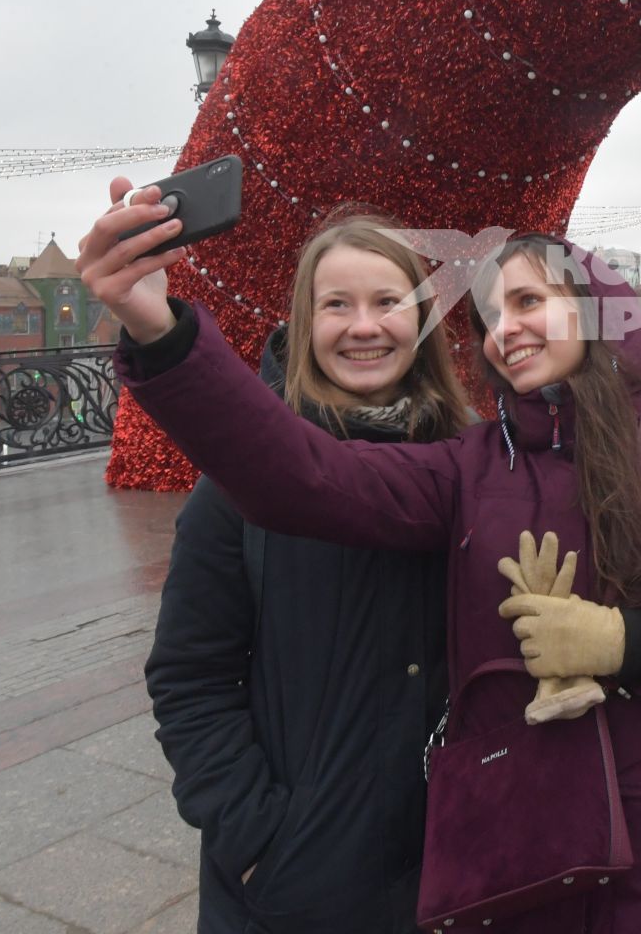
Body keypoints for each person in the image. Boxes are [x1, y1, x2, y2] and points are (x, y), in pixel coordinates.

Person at [81, 182, 641, 932]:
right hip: (521, 870)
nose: (507, 329)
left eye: (529, 301)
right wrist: (161, 331)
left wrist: (627, 640)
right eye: (493, 316)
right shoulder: (469, 465)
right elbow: (302, 478)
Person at [144, 210, 472, 933]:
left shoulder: (472, 463)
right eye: (337, 305)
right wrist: (257, 837)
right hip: (302, 879)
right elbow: (190, 675)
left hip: (460, 859)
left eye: (388, 303)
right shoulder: (238, 488)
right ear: (303, 322)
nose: (365, 327)